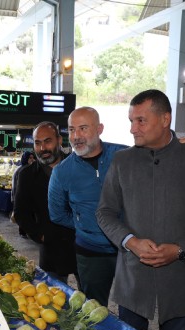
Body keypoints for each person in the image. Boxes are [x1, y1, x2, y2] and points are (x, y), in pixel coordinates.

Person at [95, 89, 185, 330]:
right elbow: (104, 212)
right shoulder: (122, 161)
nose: (132, 129)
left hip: (180, 281)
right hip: (132, 280)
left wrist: (182, 249)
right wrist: (130, 241)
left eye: (141, 121)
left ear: (165, 119)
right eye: (131, 121)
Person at [48, 107, 126, 306]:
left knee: (132, 309)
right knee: (94, 308)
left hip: (128, 249)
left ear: (100, 129)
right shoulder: (62, 172)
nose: (76, 136)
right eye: (72, 130)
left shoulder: (124, 156)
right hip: (90, 252)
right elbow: (57, 214)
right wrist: (84, 223)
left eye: (83, 128)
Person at [14, 122, 77, 284]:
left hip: (83, 245)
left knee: (92, 301)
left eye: (47, 141)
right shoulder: (27, 175)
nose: (43, 148)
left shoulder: (79, 167)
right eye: (37, 143)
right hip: (51, 247)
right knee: (54, 300)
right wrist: (39, 235)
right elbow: (21, 212)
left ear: (59, 140)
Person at [10, 151, 36, 237]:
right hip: (21, 197)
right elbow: (14, 185)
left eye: (33, 158)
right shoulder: (19, 170)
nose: (32, 160)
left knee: (31, 215)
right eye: (30, 158)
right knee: (23, 215)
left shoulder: (34, 169)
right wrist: (14, 198)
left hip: (32, 197)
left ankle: (31, 231)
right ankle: (22, 232)